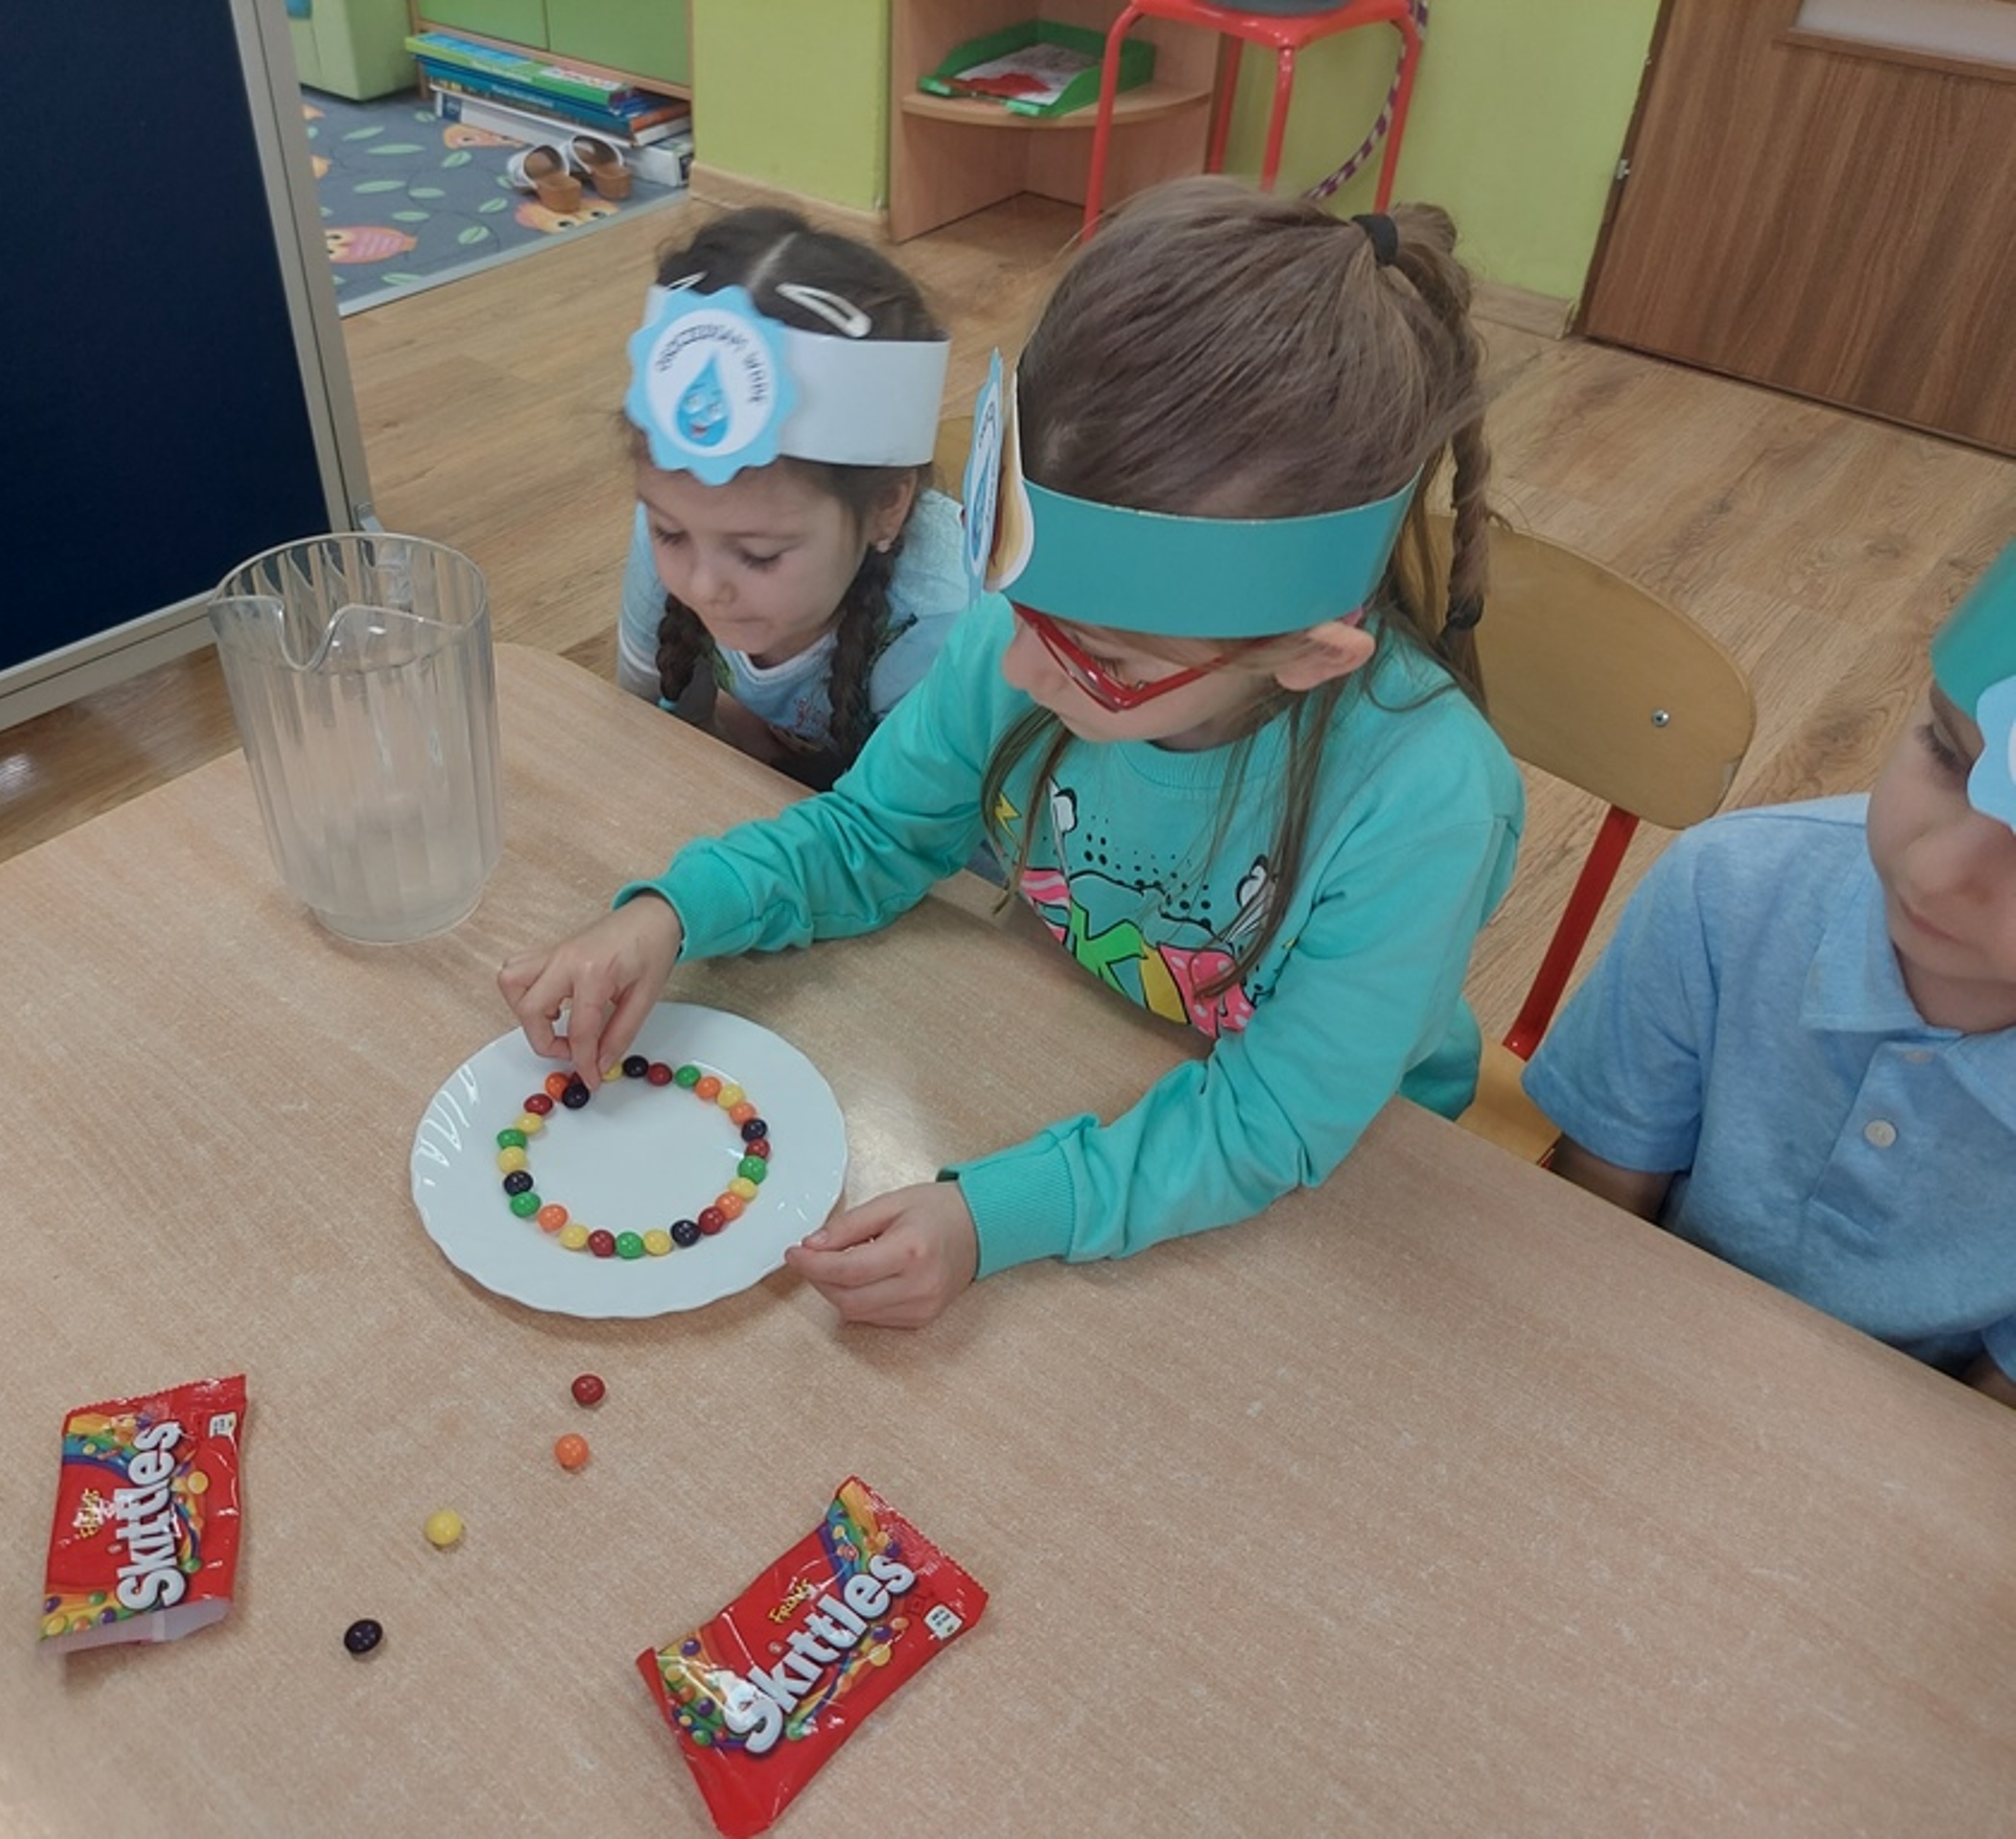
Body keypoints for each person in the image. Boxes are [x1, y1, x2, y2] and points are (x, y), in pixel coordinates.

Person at [506, 179, 1524, 1327]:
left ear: (1307, 654)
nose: (1023, 670)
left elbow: (1273, 1122)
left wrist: (1001, 1214)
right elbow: (871, 835)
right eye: (1017, 605)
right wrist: (672, 915)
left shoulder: (1425, 805)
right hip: (1084, 1043)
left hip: (1351, 1181)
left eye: (1107, 662)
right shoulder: (1025, 635)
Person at [1525, 543, 2016, 1403]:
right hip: (1626, 1358)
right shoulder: (1729, 890)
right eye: (1945, 751)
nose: (1936, 874)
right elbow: (1592, 1211)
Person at [618, 208, 973, 790]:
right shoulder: (684, 518)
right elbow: (642, 729)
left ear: (885, 507)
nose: (704, 586)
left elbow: (911, 831)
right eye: (669, 533)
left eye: (759, 555)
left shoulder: (942, 628)